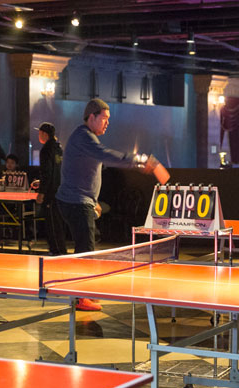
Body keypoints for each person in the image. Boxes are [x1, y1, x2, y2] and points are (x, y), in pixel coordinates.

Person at [56, 98, 161, 312]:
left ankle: (82, 294)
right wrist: (140, 162)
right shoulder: (84, 137)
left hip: (79, 201)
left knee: (86, 248)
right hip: (76, 203)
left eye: (108, 119)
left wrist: (92, 202)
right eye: (104, 118)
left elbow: (83, 173)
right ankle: (80, 297)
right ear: (92, 117)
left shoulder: (84, 137)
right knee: (85, 250)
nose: (107, 123)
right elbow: (107, 155)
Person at [30, 122, 67, 255]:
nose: (39, 135)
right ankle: (60, 249)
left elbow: (47, 172)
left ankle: (57, 251)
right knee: (58, 222)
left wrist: (42, 192)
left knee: (52, 223)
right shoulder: (59, 148)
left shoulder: (46, 149)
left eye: (40, 132)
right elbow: (56, 171)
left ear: (45, 134)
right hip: (60, 190)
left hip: (51, 193)